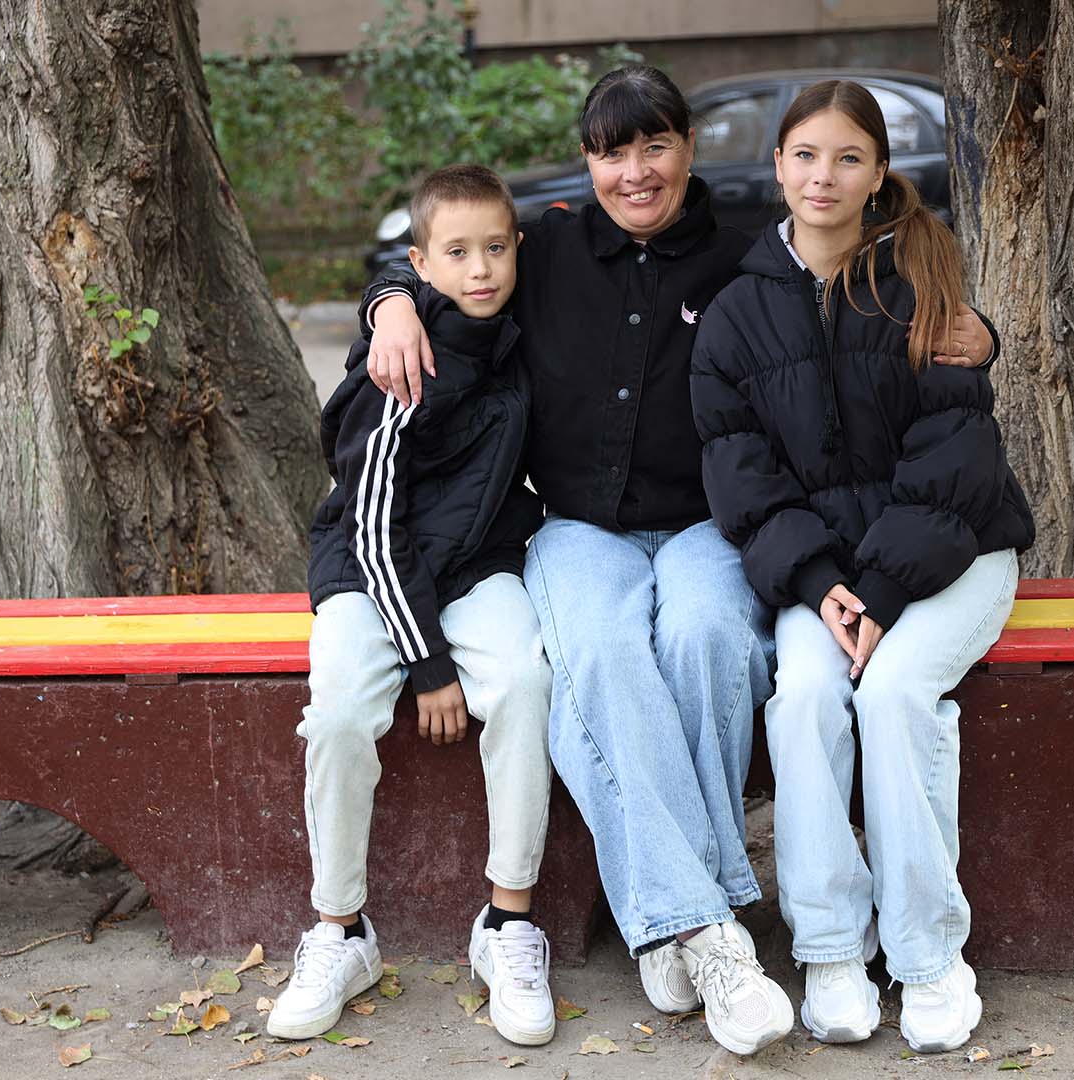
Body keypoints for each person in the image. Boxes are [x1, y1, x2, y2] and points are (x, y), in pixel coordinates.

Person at [361, 66, 1000, 1056]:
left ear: (689, 149)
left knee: (710, 640)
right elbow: (454, 252)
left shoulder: (743, 254)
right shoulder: (554, 249)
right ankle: (701, 926)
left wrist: (978, 334)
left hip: (711, 527)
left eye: (655, 145)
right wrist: (390, 302)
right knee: (603, 658)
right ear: (589, 163)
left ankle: (674, 915)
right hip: (576, 528)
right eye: (614, 151)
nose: (636, 170)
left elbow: (843, 277)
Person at [690, 80, 1036, 1053]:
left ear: (879, 172)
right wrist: (820, 587)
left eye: (847, 158)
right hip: (824, 578)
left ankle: (928, 959)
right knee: (801, 697)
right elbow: (741, 478)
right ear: (776, 168)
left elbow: (955, 467)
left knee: (889, 700)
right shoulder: (734, 318)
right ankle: (832, 948)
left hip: (953, 558)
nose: (823, 177)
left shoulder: (922, 285)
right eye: (804, 156)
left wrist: (881, 592)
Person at [269, 165, 557, 1049]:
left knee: (522, 681)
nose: (481, 269)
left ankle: (509, 925)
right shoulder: (404, 362)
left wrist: (388, 289)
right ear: (423, 265)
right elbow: (375, 525)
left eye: (496, 249)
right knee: (344, 711)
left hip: (475, 562)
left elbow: (561, 245)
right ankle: (340, 930)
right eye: (457, 254)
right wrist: (428, 666)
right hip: (371, 566)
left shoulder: (516, 319)